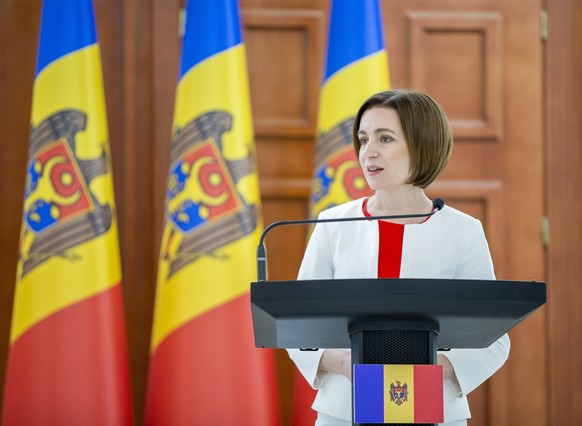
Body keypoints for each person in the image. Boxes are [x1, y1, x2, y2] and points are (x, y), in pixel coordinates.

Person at [288, 89, 510, 426]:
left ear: (423, 145)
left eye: (385, 138)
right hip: (342, 411)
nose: (368, 152)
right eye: (363, 139)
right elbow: (295, 325)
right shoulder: (332, 224)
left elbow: (494, 338)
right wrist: (346, 363)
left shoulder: (463, 231)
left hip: (435, 411)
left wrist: (431, 367)